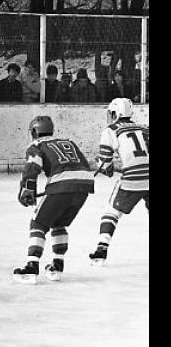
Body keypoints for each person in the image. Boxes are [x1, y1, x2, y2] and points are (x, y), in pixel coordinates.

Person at [12, 115, 94, 284]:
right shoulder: (68, 142)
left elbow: (32, 167)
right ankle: (57, 265)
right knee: (59, 223)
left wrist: (27, 189)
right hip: (84, 186)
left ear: (34, 131)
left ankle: (31, 266)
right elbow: (83, 164)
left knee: (38, 224)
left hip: (61, 186)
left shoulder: (36, 145)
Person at [88, 98, 149, 266]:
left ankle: (101, 248)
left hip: (132, 179)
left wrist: (103, 165)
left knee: (111, 212)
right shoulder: (144, 128)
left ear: (116, 113)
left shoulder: (110, 130)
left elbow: (106, 165)